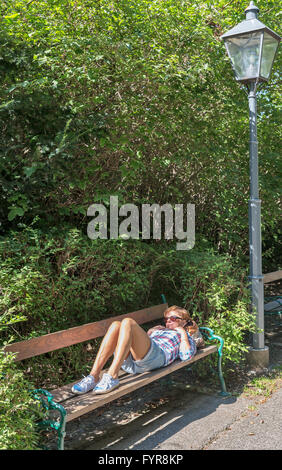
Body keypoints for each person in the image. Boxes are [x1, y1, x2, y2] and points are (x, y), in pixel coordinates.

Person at [72, 305, 199, 395]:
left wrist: (182, 333)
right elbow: (138, 343)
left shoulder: (185, 336)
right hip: (131, 363)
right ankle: (93, 376)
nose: (169, 322)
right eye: (166, 319)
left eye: (174, 319)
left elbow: (186, 356)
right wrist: (149, 333)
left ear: (183, 322)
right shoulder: (160, 329)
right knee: (116, 325)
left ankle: (112, 376)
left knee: (128, 322)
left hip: (157, 357)